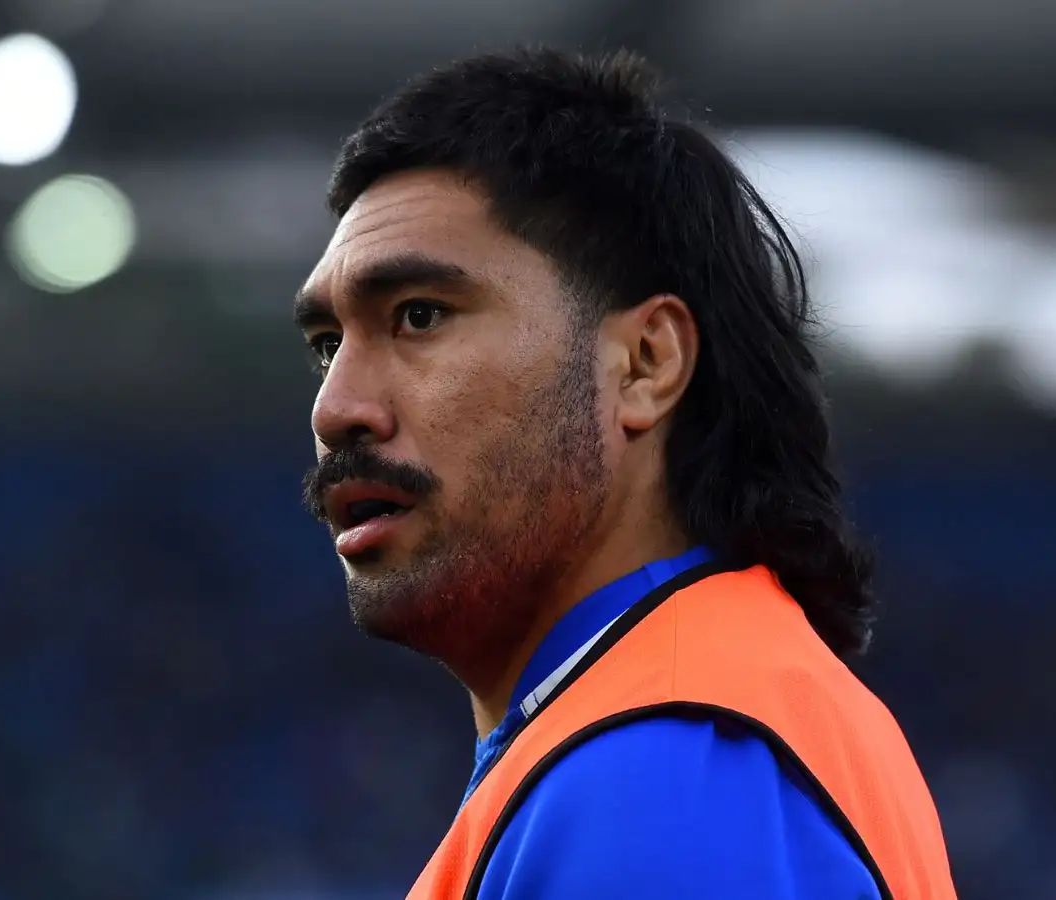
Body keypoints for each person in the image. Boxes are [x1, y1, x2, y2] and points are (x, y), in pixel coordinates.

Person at [295, 47, 958, 900]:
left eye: (419, 316)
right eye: (327, 346)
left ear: (645, 364)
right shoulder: (695, 716)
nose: (335, 409)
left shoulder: (665, 774)